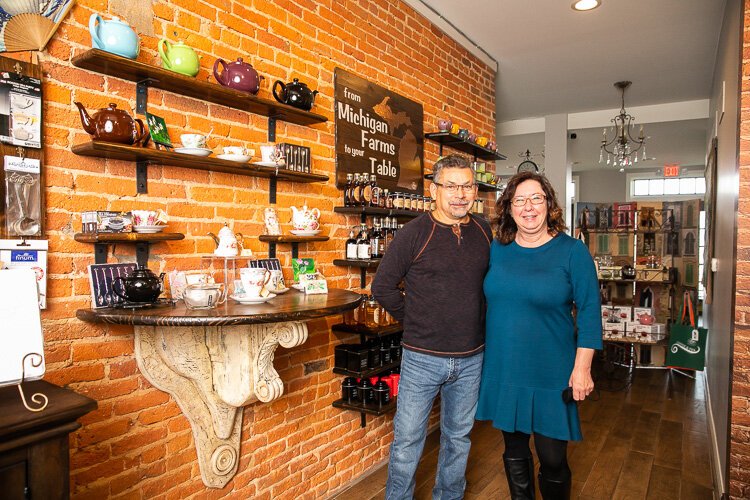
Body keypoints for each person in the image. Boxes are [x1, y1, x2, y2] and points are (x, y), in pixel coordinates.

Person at [475, 171, 602, 499]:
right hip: (505, 366)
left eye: (536, 198)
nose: (528, 207)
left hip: (552, 369)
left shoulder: (573, 251)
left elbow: (589, 312)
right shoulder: (496, 250)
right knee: (514, 451)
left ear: (549, 204)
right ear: (509, 207)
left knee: (552, 458)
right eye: (519, 200)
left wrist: (583, 367)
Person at [372, 154, 492, 500]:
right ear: (434, 189)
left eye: (467, 185)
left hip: (471, 358)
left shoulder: (483, 230)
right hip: (422, 358)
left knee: (459, 437)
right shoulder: (415, 232)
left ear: (475, 189)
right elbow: (382, 287)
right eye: (451, 185)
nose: (460, 193)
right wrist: (417, 320)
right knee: (408, 440)